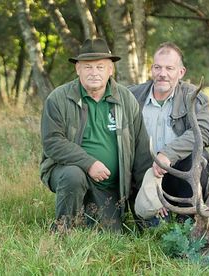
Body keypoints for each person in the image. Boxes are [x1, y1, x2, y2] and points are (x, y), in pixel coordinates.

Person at [39, 38, 152, 232]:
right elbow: (53, 142)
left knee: (111, 233)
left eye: (100, 67)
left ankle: (85, 215)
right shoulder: (58, 99)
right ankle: (62, 230)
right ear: (78, 69)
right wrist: (89, 163)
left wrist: (147, 197)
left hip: (110, 186)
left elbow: (140, 151)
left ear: (110, 70)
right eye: (87, 67)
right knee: (73, 175)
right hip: (68, 173)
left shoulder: (126, 99)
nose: (94, 73)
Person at [129, 42, 209, 224]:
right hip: (144, 175)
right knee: (154, 229)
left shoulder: (193, 96)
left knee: (195, 158)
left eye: (170, 68)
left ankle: (188, 219)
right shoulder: (133, 96)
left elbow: (204, 132)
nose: (163, 74)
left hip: (180, 174)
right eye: (158, 67)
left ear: (181, 72)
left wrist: (167, 154)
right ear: (151, 69)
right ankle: (152, 213)